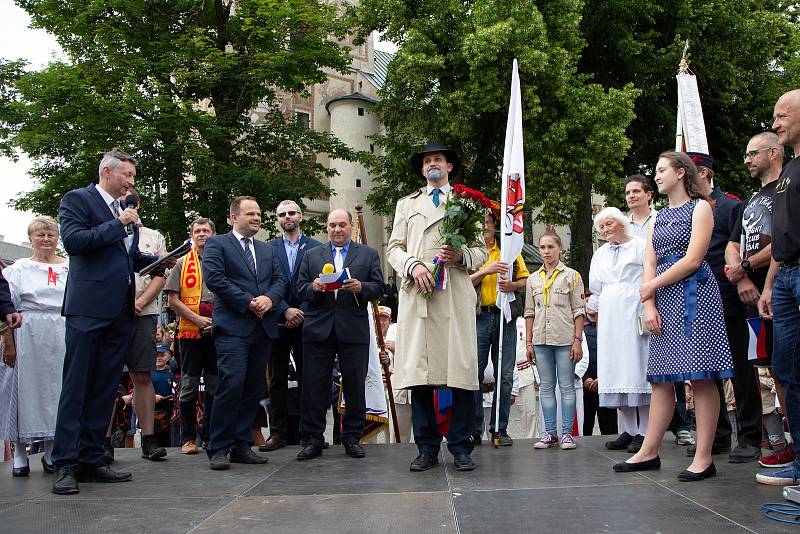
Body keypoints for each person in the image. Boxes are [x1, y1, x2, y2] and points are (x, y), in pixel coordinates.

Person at [51, 148, 171, 495]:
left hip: (120, 312)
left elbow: (127, 256)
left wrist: (157, 262)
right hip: (88, 310)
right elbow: (75, 242)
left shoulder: (122, 211)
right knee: (78, 387)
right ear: (107, 172)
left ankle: (91, 460)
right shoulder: (79, 200)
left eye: (133, 177)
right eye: (127, 176)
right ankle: (65, 464)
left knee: (105, 387)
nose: (131, 183)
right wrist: (117, 224)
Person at [614, 151, 733, 481]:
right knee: (661, 379)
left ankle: (704, 457)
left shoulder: (701, 208)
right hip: (663, 296)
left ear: (682, 173)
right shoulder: (659, 218)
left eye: (662, 170)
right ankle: (649, 451)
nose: (657, 176)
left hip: (696, 297)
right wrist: (649, 302)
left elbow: (693, 260)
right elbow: (649, 260)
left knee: (701, 376)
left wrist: (650, 286)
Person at [386, 141, 488, 472]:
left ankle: (460, 446)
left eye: (439, 160)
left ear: (449, 167)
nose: (433, 164)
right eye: (427, 160)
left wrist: (461, 257)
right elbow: (394, 248)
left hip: (454, 297)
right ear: (421, 169)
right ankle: (426, 447)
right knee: (420, 376)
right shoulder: (406, 204)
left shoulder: (467, 204)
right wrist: (413, 265)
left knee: (457, 374)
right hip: (418, 296)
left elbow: (481, 252)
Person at [201, 196, 288, 470]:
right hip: (233, 327)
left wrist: (270, 300)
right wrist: (249, 301)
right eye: (250, 213)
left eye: (259, 213)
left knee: (252, 389)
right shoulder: (217, 244)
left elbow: (279, 280)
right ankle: (218, 446)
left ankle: (241, 444)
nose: (256, 218)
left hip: (262, 328)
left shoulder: (266, 249)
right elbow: (215, 279)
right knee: (232, 384)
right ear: (233, 217)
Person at [688, 151, 762, 464]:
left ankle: (749, 436)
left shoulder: (732, 205)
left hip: (731, 299)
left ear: (702, 174)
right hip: (699, 301)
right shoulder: (687, 210)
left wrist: (744, 278)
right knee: (707, 373)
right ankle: (716, 435)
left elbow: (744, 245)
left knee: (743, 372)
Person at [726, 132, 792, 469]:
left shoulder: (787, 187)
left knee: (788, 366)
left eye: (753, 153)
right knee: (772, 368)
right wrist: (741, 278)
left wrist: (748, 268)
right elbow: (732, 242)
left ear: (773, 151)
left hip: (782, 287)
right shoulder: (752, 200)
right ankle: (786, 441)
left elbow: (784, 240)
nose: (748, 160)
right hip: (753, 296)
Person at [295, 209, 383, 460]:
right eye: (332, 225)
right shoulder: (312, 255)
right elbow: (299, 288)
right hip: (318, 330)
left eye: (342, 225)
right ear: (326, 227)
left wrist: (361, 287)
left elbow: (379, 287)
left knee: (355, 385)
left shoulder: (368, 254)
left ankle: (352, 437)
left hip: (352, 329)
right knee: (314, 386)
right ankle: (313, 438)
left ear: (351, 226)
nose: (337, 230)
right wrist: (313, 287)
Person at [626, 174, 694, 447]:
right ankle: (638, 431)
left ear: (649, 195)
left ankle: (681, 425)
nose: (631, 196)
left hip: (667, 291)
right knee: (647, 366)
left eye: (636, 192)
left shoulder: (663, 218)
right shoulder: (621, 224)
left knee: (675, 363)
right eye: (628, 192)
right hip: (638, 299)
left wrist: (652, 289)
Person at [102, 188, 169, 463]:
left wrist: (139, 302)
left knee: (142, 374)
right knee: (106, 377)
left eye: (129, 201)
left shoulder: (153, 236)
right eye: (119, 201)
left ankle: (149, 440)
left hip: (143, 312)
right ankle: (103, 442)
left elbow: (160, 272)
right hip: (109, 313)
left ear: (138, 204)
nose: (125, 205)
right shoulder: (106, 231)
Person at [0, 217, 69, 477]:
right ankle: (20, 453)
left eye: (50, 234)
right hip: (27, 330)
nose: (46, 239)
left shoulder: (68, 267)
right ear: (31, 239)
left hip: (59, 330)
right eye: (40, 235)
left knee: (56, 390)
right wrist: (8, 339)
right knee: (25, 391)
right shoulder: (18, 269)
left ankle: (52, 451)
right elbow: (7, 305)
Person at [757, 89, 800, 485]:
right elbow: (779, 240)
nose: (775, 124)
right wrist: (770, 285)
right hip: (785, 277)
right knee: (786, 368)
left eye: (782, 115)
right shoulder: (788, 173)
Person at [587, 208, 651, 452]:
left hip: (634, 307)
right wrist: (593, 308)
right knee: (615, 369)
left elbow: (649, 275)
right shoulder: (600, 254)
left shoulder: (640, 245)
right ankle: (629, 429)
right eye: (601, 227)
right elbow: (597, 287)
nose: (605, 230)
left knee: (635, 367)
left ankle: (644, 431)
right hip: (610, 314)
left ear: (620, 222)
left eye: (609, 224)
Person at [264, 200, 321, 451]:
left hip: (308, 320)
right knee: (276, 379)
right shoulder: (267, 249)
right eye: (282, 214)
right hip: (277, 320)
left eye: (291, 213)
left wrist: (303, 311)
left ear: (301, 216)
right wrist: (284, 309)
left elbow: (322, 284)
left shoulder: (317, 248)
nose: (287, 217)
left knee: (309, 377)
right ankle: (277, 433)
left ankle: (310, 433)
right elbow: (264, 283)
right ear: (278, 219)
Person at [470, 210, 529, 446]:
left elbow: (526, 281)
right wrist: (486, 270)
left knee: (505, 375)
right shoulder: (471, 254)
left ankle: (499, 428)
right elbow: (463, 282)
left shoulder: (509, 251)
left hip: (505, 317)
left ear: (494, 225)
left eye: (487, 223)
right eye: (480, 224)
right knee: (474, 374)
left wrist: (512, 284)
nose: (484, 228)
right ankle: (474, 428)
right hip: (479, 316)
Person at [525, 231, 585, 450]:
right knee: (546, 387)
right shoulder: (533, 279)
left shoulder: (572, 276)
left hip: (565, 339)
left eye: (550, 247)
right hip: (541, 340)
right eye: (542, 247)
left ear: (560, 249)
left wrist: (577, 340)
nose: (546, 251)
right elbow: (529, 312)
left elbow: (579, 311)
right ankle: (550, 433)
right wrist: (528, 343)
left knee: (567, 387)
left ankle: (567, 433)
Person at [165, 217, 219, 454]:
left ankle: (209, 435)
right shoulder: (182, 263)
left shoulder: (222, 261)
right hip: (189, 331)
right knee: (188, 384)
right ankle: (188, 438)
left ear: (214, 234)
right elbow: (172, 299)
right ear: (191, 235)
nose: (202, 234)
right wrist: (196, 319)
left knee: (215, 386)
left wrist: (216, 322)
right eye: (197, 231)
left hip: (216, 330)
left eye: (206, 230)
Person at [379, 305, 412, 443]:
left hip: (399, 391)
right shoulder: (369, 336)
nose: (381, 322)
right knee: (385, 435)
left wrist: (395, 347)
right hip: (380, 392)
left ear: (390, 320)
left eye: (384, 319)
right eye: (379, 319)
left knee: (399, 434)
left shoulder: (396, 333)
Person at [151, 344, 175, 447]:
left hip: (168, 412)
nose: (159, 358)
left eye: (162, 355)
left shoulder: (171, 374)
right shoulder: (148, 374)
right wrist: (153, 397)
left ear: (169, 356)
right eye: (156, 355)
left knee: (167, 439)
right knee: (152, 437)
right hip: (152, 412)